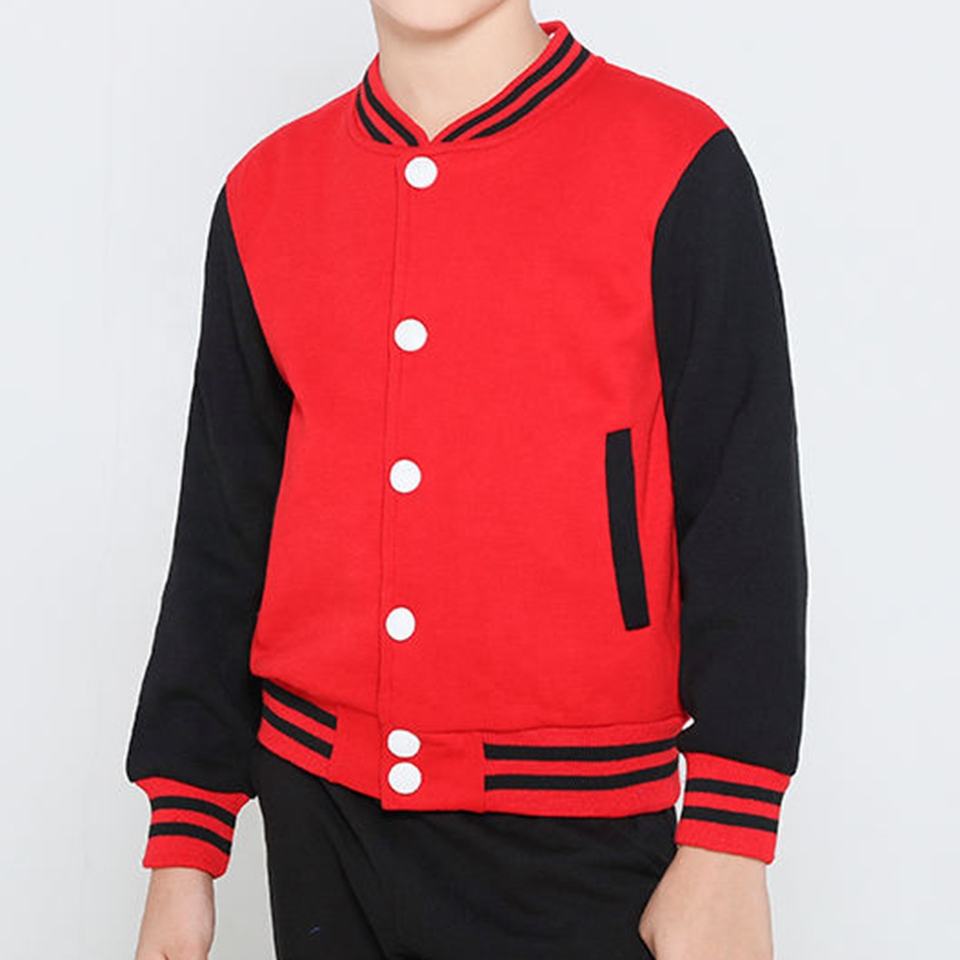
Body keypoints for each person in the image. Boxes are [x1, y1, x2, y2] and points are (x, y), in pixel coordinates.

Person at [127, 2, 807, 958]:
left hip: (580, 823)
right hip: (321, 815)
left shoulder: (675, 161)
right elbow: (222, 533)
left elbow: (745, 517)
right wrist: (183, 845)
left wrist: (729, 838)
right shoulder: (266, 191)